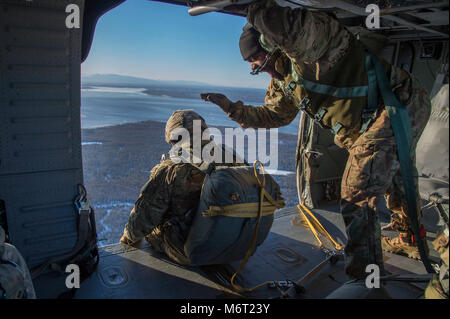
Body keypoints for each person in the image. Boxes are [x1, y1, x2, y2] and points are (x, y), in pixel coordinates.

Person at [201, 0, 432, 279]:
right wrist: (231, 108)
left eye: (261, 63)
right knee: (393, 177)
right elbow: (275, 115)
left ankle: (366, 282)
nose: (264, 72)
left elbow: (296, 31)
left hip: (399, 102)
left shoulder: (318, 48)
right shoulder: (285, 79)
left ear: (272, 45)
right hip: (379, 117)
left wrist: (255, 8)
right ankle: (410, 239)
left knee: (356, 192)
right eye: (256, 70)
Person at [120, 110, 240, 264]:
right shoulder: (230, 156)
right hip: (232, 243)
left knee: (149, 224)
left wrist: (126, 241)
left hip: (191, 250)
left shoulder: (172, 169)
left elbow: (142, 219)